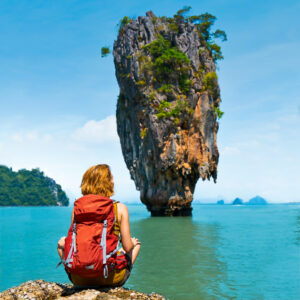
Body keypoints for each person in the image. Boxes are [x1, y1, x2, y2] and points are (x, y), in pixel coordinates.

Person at [57, 164, 141, 287]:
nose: (113, 182)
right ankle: (111, 281)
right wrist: (132, 243)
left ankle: (77, 273)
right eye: (111, 179)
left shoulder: (77, 209)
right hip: (109, 278)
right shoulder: (119, 208)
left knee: (62, 243)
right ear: (108, 183)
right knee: (135, 245)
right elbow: (128, 248)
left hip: (79, 279)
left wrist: (62, 243)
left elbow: (73, 243)